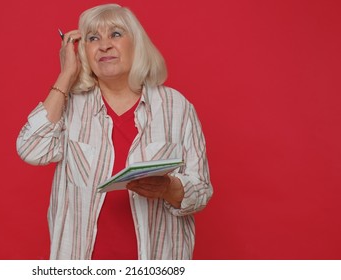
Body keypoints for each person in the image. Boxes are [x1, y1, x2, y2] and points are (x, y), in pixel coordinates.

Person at [16, 4, 213, 260]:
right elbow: (31, 149)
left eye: (116, 34)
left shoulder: (176, 106)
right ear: (83, 51)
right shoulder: (70, 106)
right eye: (93, 38)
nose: (104, 45)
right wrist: (66, 75)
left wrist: (169, 189)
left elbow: (202, 190)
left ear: (137, 44)